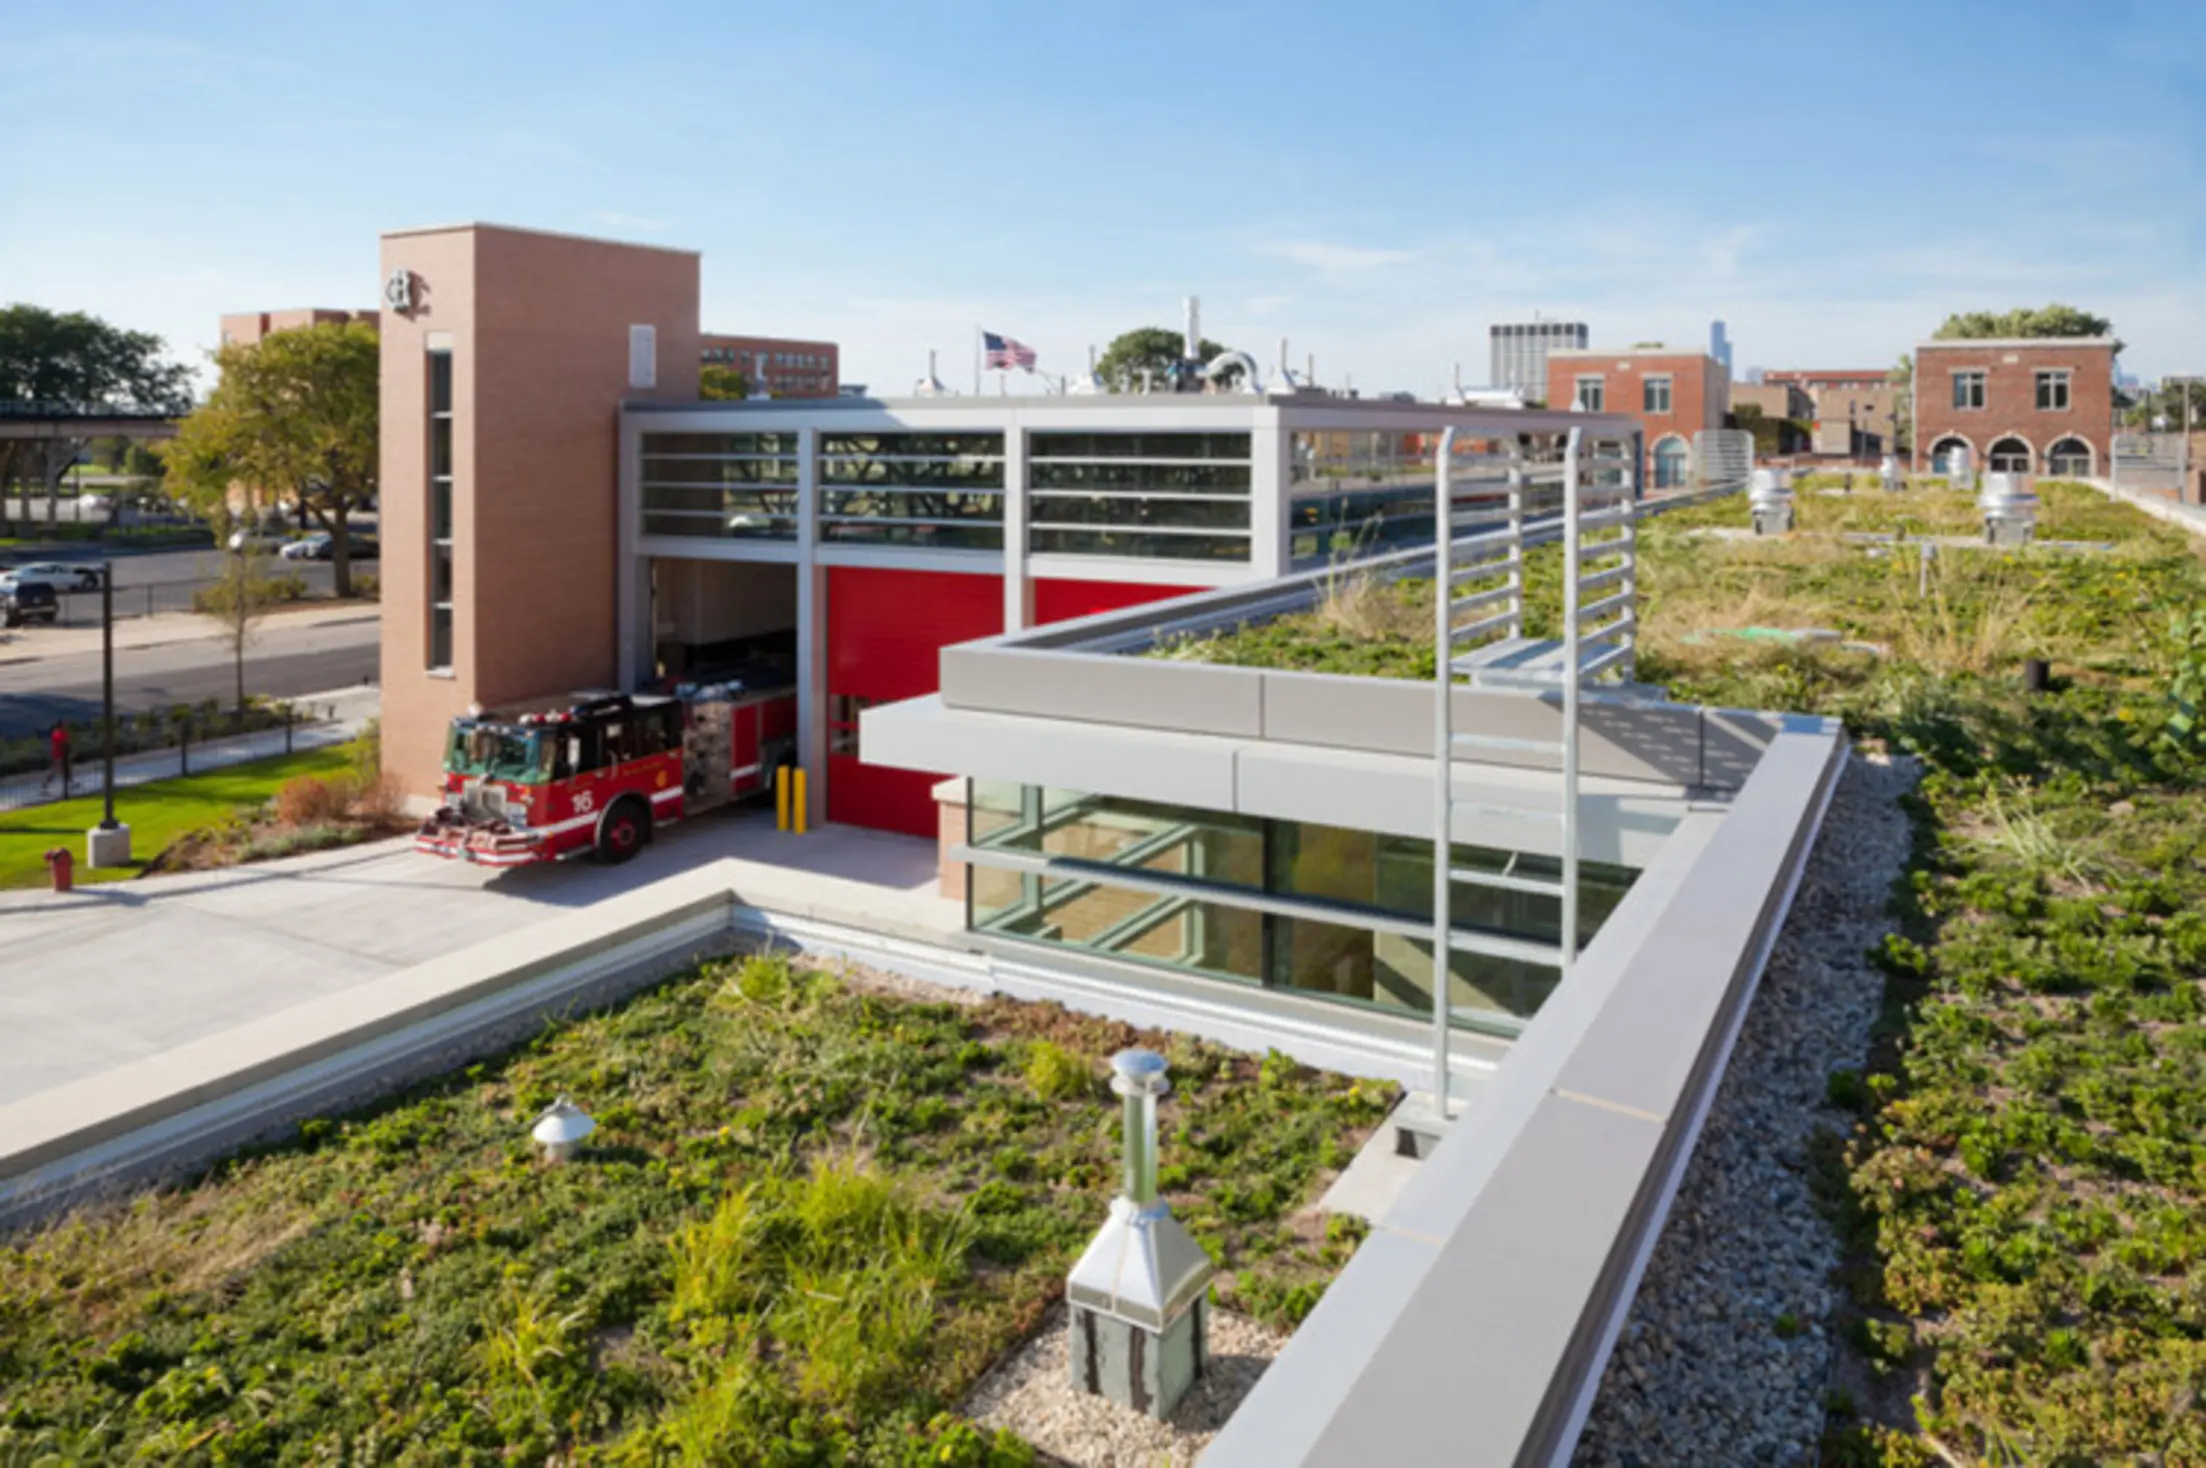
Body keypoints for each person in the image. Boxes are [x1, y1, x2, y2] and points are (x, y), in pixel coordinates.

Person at [47, 720, 71, 797]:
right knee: (55, 770)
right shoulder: (58, 733)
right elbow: (62, 743)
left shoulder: (63, 733)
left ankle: (68, 785)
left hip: (63, 755)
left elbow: (67, 743)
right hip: (58, 755)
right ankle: (46, 785)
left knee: (66, 769)